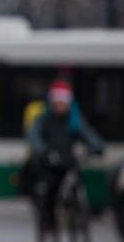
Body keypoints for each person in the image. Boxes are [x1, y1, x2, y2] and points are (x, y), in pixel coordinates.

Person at [26, 79, 103, 233]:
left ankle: (78, 211)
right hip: (49, 161)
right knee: (50, 188)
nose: (61, 105)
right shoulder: (44, 118)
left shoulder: (74, 119)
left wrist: (97, 147)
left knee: (78, 180)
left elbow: (88, 134)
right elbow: (34, 137)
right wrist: (44, 151)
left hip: (68, 160)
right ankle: (47, 220)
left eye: (64, 101)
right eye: (58, 101)